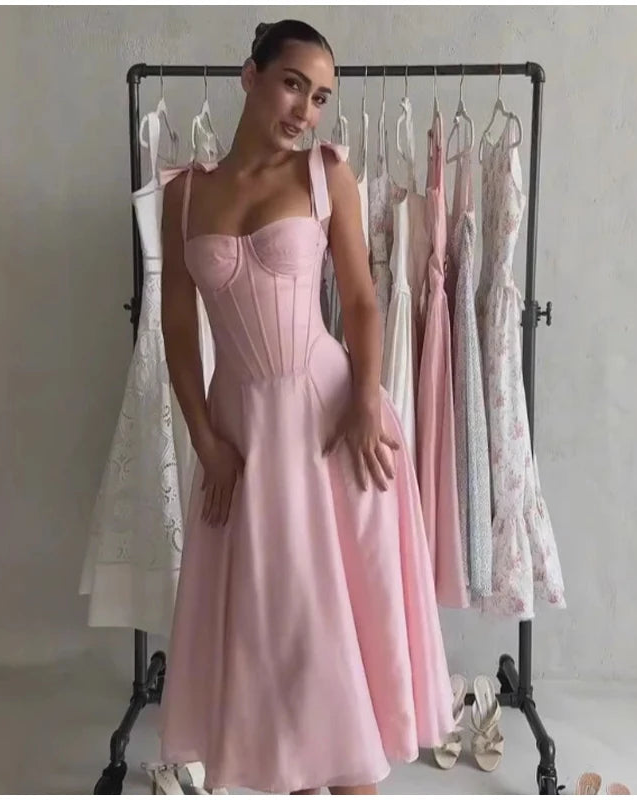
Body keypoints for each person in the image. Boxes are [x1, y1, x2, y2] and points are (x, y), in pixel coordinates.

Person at [158, 19, 455, 795]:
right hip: (243, 436)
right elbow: (178, 333)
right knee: (275, 634)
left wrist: (365, 401)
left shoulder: (327, 175)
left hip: (332, 425)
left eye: (320, 96)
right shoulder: (185, 195)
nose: (306, 109)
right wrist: (207, 442)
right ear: (249, 76)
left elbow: (360, 301)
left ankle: (353, 779)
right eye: (294, 84)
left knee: (338, 629)